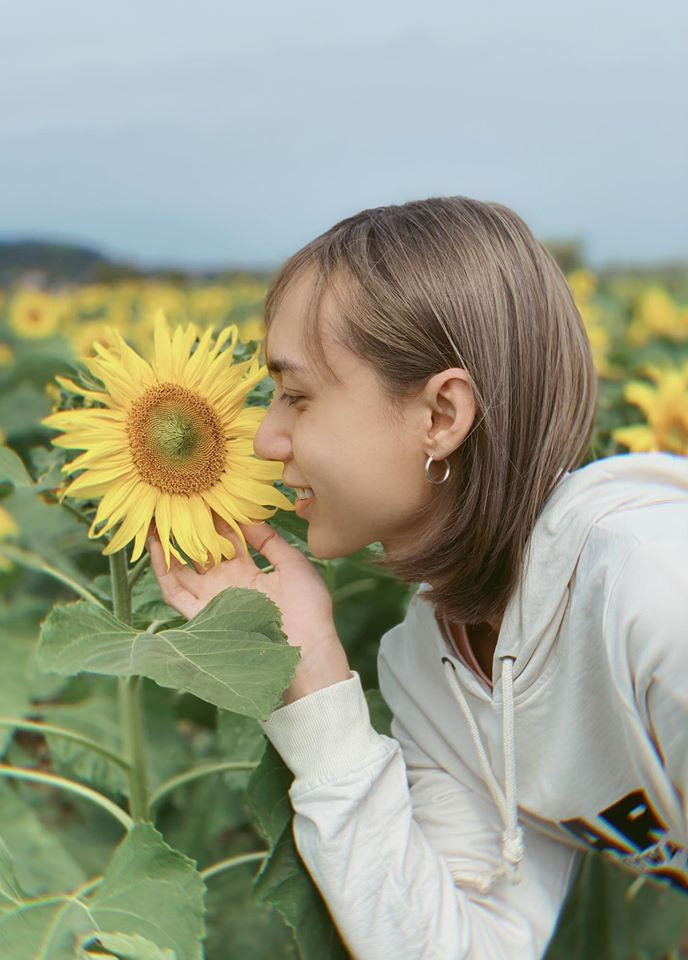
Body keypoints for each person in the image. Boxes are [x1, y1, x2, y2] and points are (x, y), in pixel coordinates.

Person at [148, 197, 688, 959]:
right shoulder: (431, 666)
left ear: (441, 415)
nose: (266, 438)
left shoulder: (656, 590)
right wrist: (317, 691)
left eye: (297, 396)